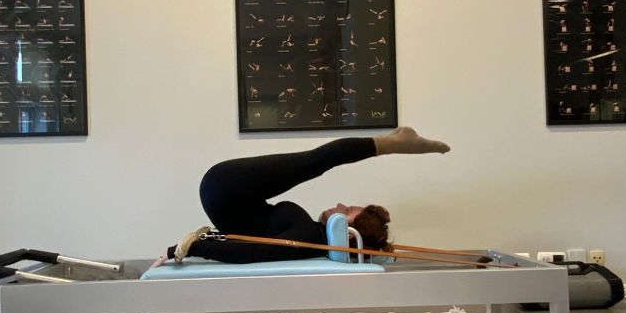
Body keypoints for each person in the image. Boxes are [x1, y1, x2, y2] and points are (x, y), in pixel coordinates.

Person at [150, 127, 449, 267]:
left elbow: (251, 252)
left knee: (314, 162)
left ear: (347, 234)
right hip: (228, 193)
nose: (340, 204)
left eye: (347, 210)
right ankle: (390, 144)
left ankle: (390, 144)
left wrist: (191, 247)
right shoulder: (311, 235)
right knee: (312, 163)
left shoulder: (306, 240)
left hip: (225, 189)